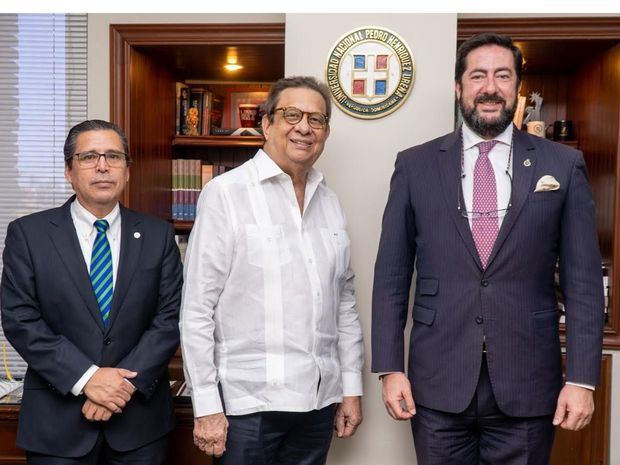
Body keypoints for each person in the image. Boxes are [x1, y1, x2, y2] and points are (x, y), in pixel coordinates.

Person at [372, 33, 604, 465]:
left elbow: (585, 282)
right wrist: (390, 367)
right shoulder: (415, 165)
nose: (490, 87)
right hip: (437, 383)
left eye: (502, 75)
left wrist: (583, 379)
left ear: (516, 89)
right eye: (477, 75)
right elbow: (390, 276)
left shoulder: (562, 165)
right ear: (459, 87)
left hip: (529, 383)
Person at [180, 76, 364, 465]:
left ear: (326, 132)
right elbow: (197, 309)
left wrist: (350, 388)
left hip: (318, 403)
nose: (304, 127)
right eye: (292, 114)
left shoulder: (329, 201)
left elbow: (343, 304)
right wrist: (207, 406)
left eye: (317, 119)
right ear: (266, 123)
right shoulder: (226, 193)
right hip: (248, 407)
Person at [1, 120, 183, 464]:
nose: (102, 166)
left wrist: (120, 386)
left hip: (139, 426)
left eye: (113, 156)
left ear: (127, 171)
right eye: (88, 157)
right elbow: (20, 319)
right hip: (57, 424)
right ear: (69, 170)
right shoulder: (29, 234)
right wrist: (87, 379)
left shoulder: (159, 236)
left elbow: (169, 319)